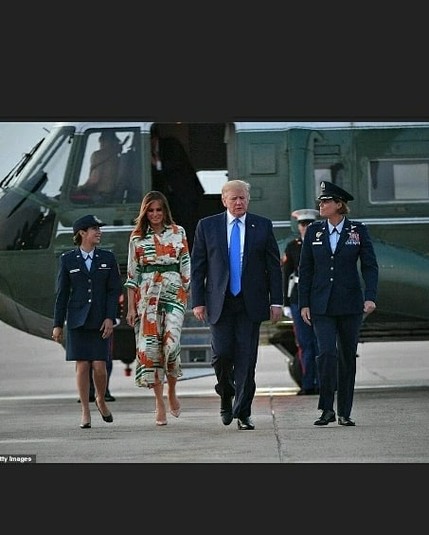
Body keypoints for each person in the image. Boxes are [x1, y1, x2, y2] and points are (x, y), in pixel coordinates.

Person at [191, 179, 283, 430]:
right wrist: (197, 301)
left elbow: (273, 267)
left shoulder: (262, 225)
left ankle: (243, 412)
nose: (239, 202)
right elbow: (198, 267)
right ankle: (225, 394)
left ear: (248, 200)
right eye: (234, 198)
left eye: (243, 198)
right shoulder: (207, 226)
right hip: (219, 302)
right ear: (224, 200)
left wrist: (276, 301)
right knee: (221, 354)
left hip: (249, 303)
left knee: (246, 359)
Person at [299, 181, 379, 426]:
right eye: (321, 201)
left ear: (338, 205)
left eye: (325, 201)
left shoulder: (357, 230)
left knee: (346, 356)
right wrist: (304, 303)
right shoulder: (314, 231)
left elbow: (369, 265)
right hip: (321, 305)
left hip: (349, 304)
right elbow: (306, 269)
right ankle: (326, 409)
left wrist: (370, 296)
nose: (321, 205)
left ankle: (344, 411)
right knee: (326, 354)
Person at [124, 190, 190, 426]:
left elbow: (186, 265)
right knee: (151, 350)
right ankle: (159, 402)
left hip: (173, 292)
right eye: (150, 210)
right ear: (145, 212)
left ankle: (172, 390)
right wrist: (131, 308)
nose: (155, 214)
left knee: (171, 345)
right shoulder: (137, 237)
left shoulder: (178, 232)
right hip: (147, 295)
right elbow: (132, 274)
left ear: (165, 211)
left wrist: (185, 292)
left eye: (158, 210)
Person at [52, 214, 122, 429]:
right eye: (94, 229)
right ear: (82, 233)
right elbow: (62, 294)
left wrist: (110, 317)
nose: (99, 232)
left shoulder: (108, 258)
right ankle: (85, 409)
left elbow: (114, 291)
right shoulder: (67, 259)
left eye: (99, 229)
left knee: (100, 366)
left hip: (100, 320)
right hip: (77, 321)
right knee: (82, 366)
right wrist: (57, 324)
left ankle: (100, 398)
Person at [282, 208, 320, 395]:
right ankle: (307, 384)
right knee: (304, 344)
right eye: (303, 224)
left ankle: (323, 383)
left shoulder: (324, 244)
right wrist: (285, 303)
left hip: (319, 298)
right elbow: (285, 274)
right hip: (298, 297)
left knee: (320, 343)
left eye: (309, 224)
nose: (306, 227)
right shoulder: (293, 246)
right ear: (298, 226)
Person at [150, 124, 204, 250]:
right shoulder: (151, 153)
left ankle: (192, 253)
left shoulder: (171, 144)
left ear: (153, 138)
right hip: (170, 199)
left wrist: (156, 163)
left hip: (186, 195)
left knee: (189, 227)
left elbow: (176, 165)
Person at [75, 131, 122, 199]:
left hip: (100, 197)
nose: (100, 141)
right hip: (113, 197)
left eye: (103, 139)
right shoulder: (117, 158)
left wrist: (79, 189)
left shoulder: (98, 155)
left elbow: (94, 180)